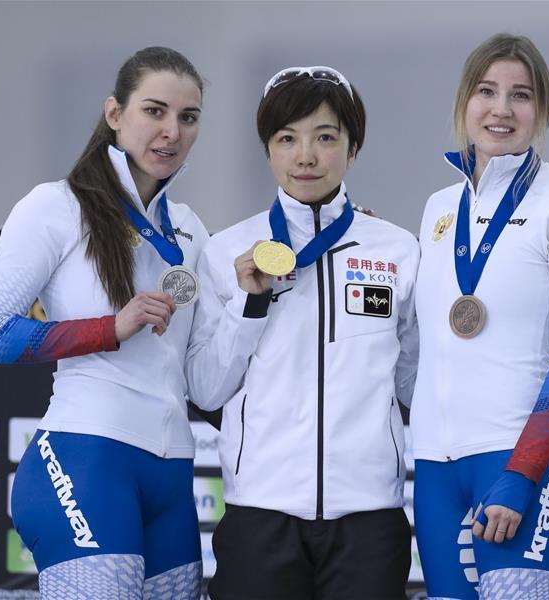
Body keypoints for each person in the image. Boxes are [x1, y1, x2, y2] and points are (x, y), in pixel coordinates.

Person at [0, 47, 208, 599]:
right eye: (154, 111)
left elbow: (211, 365)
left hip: (172, 474)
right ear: (114, 114)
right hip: (86, 460)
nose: (171, 131)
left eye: (188, 117)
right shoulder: (54, 206)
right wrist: (109, 328)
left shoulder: (193, 229)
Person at [185, 66, 419, 600]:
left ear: (352, 149)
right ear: (268, 149)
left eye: (325, 138)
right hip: (260, 515)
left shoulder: (396, 251)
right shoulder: (226, 253)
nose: (305, 156)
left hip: (368, 518)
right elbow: (206, 389)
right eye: (287, 138)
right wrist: (251, 302)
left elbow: (414, 385)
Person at [411, 34, 549, 599]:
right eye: (486, 91)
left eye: (520, 95)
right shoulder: (438, 210)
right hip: (436, 471)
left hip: (527, 465)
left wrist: (520, 476)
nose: (501, 109)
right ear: (463, 103)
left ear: (540, 111)